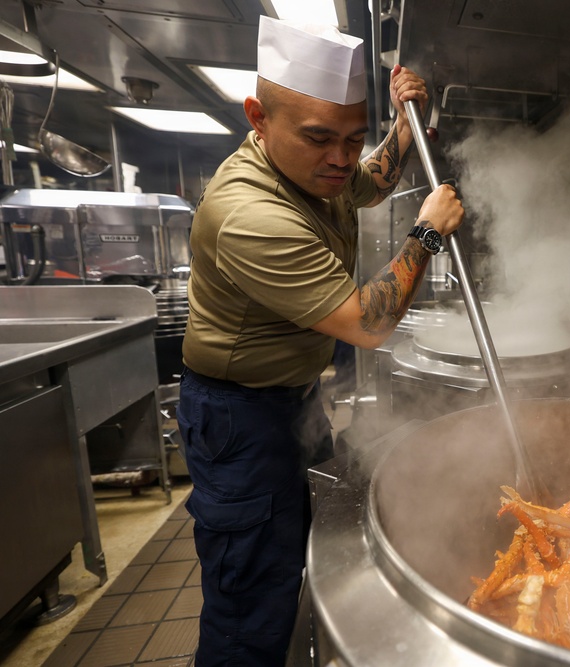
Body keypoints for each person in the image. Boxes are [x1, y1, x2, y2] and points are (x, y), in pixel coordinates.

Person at [176, 16, 464, 667]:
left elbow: (372, 181)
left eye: (352, 138)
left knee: (293, 550)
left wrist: (400, 124)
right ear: (258, 116)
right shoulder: (250, 214)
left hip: (290, 398)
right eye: (319, 138)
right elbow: (368, 323)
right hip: (238, 419)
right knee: (249, 598)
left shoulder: (320, 174)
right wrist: (427, 234)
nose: (340, 158)